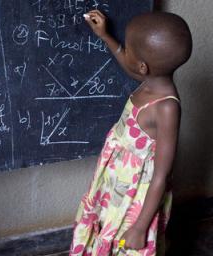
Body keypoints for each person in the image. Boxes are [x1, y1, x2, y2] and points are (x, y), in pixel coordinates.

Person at [69, 10, 192, 256]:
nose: (125, 52)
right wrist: (105, 36)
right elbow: (131, 66)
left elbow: (161, 174)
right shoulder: (150, 79)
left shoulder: (166, 107)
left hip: (136, 195)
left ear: (143, 66)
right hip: (116, 183)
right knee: (107, 230)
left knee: (124, 244)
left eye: (129, 49)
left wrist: (140, 226)